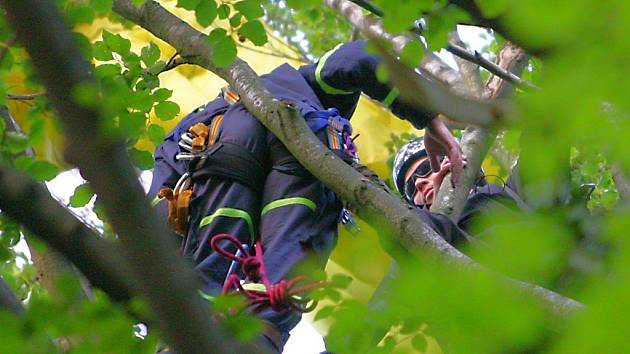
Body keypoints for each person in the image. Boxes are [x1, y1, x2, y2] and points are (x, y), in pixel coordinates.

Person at [148, 41, 463, 352]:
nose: (423, 182)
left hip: (219, 155)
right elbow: (360, 56)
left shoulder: (204, 118)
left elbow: (157, 217)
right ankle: (258, 338)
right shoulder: (309, 84)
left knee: (207, 282)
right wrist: (428, 116)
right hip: (306, 150)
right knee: (275, 291)